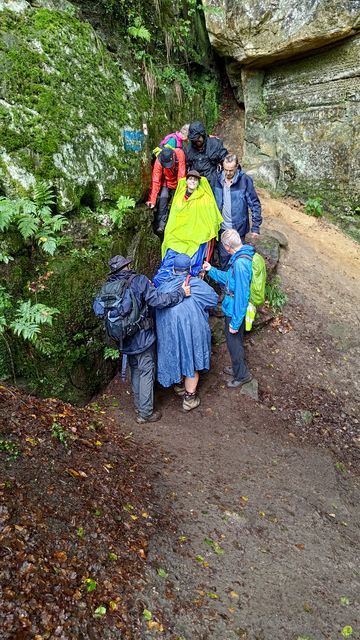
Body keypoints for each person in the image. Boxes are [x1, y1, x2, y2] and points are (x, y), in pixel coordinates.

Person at [94, 255, 190, 423]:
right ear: (127, 266)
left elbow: (98, 310)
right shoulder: (139, 281)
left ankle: (140, 407)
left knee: (135, 370)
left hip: (123, 338)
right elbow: (158, 300)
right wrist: (181, 293)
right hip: (142, 336)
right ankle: (145, 413)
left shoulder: (107, 287)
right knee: (146, 371)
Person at [155, 253, 218, 411]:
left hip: (169, 332)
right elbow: (213, 299)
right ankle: (189, 399)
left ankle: (179, 385)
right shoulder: (195, 284)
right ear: (189, 268)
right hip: (192, 331)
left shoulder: (163, 286)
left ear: (173, 269)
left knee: (175, 354)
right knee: (191, 360)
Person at [203, 229, 254, 388]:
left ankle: (242, 375)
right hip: (231, 308)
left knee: (234, 344)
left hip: (234, 311)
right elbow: (228, 279)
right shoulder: (240, 258)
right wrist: (210, 270)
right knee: (235, 342)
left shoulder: (240, 264)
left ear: (227, 247)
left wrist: (236, 322)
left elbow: (242, 295)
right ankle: (237, 369)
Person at [153, 169, 223, 287]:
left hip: (195, 237)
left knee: (191, 260)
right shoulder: (180, 195)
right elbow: (174, 217)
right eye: (190, 179)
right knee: (170, 259)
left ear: (198, 182)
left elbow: (209, 218)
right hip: (177, 236)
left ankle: (186, 284)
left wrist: (202, 234)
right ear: (186, 181)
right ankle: (162, 283)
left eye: (195, 179)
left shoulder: (204, 198)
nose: (192, 181)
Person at [211, 153, 262, 269]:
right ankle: (225, 286)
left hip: (239, 228)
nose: (228, 173)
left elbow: (254, 204)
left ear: (237, 167)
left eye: (231, 170)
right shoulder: (217, 179)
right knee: (224, 260)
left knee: (239, 260)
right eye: (225, 170)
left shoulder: (244, 180)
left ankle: (239, 284)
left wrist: (255, 228)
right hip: (222, 228)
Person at [146, 147, 186, 233]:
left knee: (177, 202)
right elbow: (156, 181)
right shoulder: (159, 160)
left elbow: (181, 176)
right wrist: (152, 201)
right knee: (163, 198)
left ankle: (176, 226)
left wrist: (180, 192)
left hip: (178, 182)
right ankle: (161, 225)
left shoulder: (179, 154)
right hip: (166, 182)